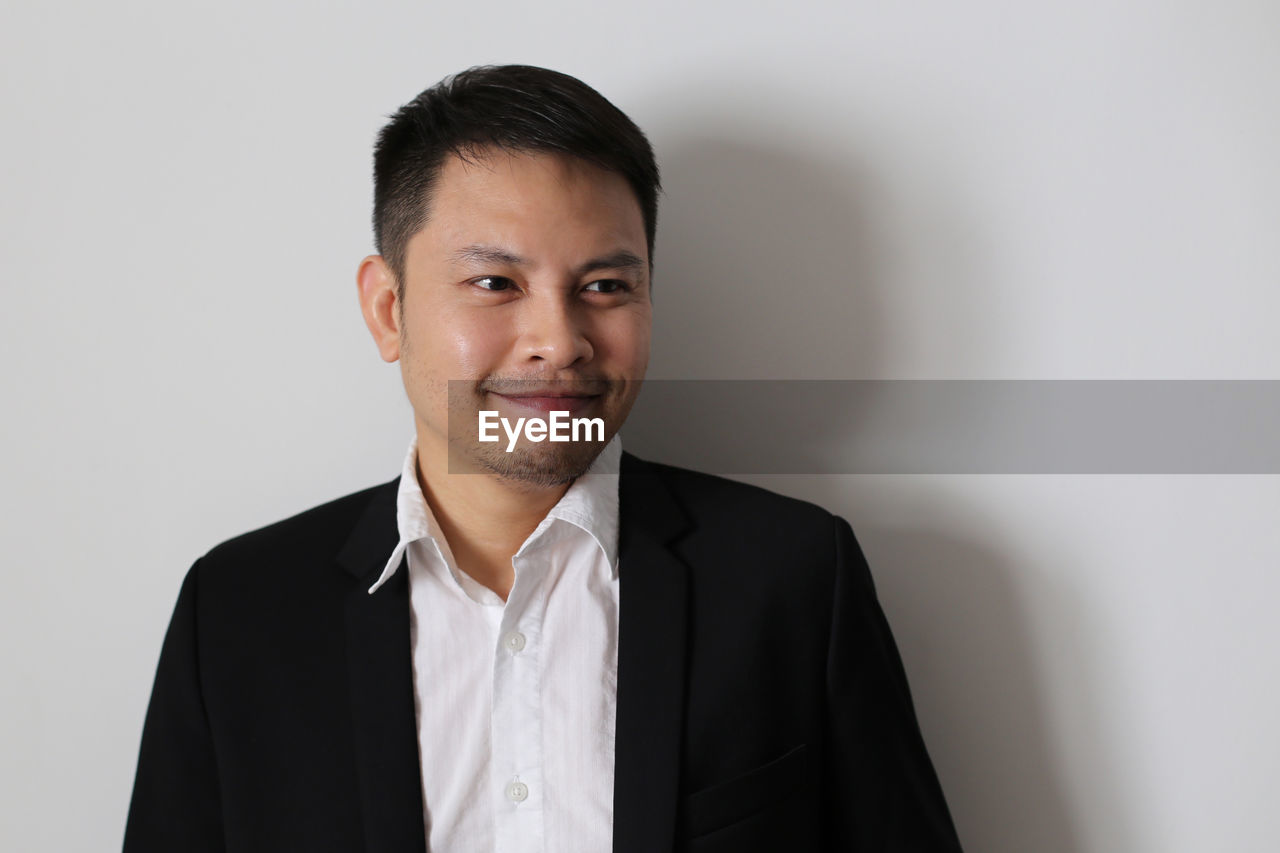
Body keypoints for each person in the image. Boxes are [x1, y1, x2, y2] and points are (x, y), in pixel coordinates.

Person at [123, 64, 964, 853]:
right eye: (495, 283)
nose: (559, 342)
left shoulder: (794, 578)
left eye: (605, 285)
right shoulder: (237, 613)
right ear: (388, 309)